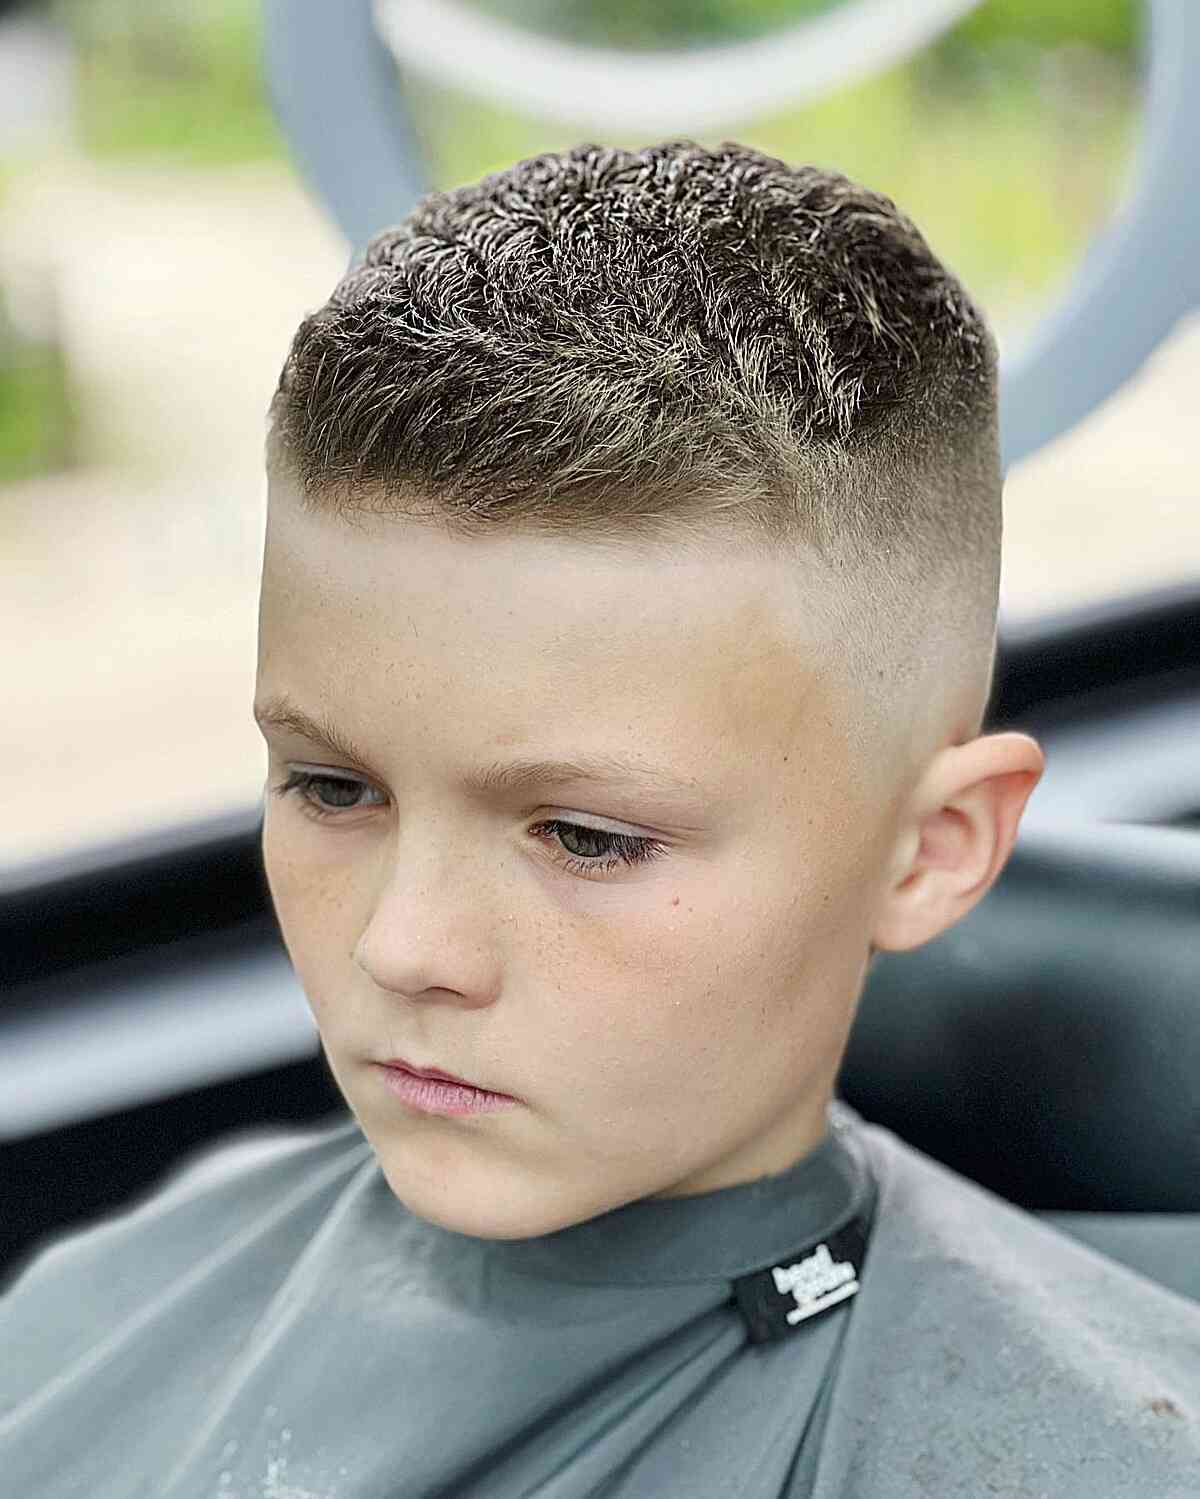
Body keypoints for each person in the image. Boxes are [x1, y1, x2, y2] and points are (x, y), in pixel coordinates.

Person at [2, 139, 1196, 1498]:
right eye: (333, 787)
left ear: (931, 850)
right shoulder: (94, 1308)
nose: (404, 946)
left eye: (587, 837)